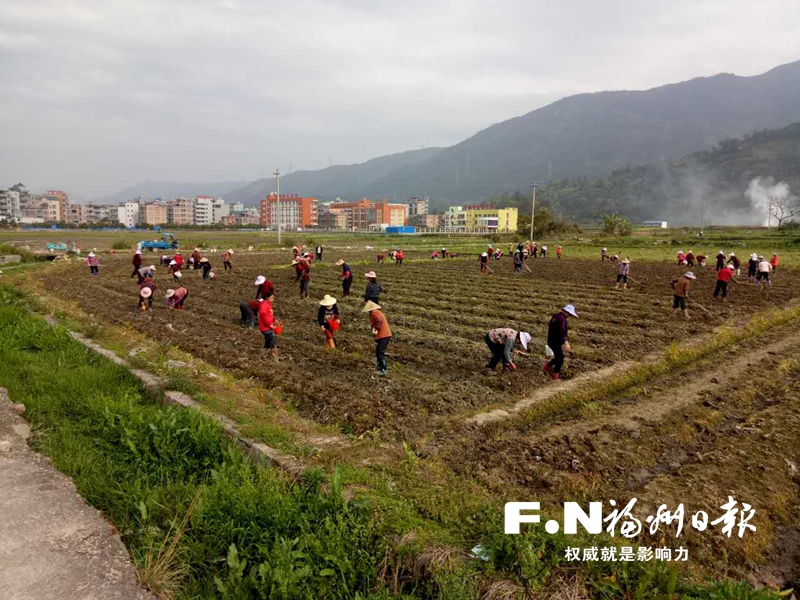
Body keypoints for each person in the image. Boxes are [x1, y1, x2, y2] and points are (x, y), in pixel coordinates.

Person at [544, 304, 579, 380]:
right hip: (555, 342)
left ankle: (546, 367)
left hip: (551, 340)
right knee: (560, 359)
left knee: (558, 357)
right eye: (570, 314)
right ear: (567, 312)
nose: (569, 316)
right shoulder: (562, 319)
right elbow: (562, 331)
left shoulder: (555, 316)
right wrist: (566, 342)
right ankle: (554, 375)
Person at [362, 301, 391, 376]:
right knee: (378, 351)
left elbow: (379, 320)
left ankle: (383, 369)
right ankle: (379, 366)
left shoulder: (374, 313)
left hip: (383, 335)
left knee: (380, 352)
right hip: (385, 335)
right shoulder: (377, 312)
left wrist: (376, 328)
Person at [258, 293, 279, 359]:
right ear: (267, 297)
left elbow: (269, 315)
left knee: (267, 343)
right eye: (271, 298)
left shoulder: (268, 305)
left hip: (268, 327)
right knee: (272, 343)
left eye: (273, 298)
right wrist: (270, 324)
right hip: (265, 328)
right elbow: (263, 315)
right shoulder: (264, 305)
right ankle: (275, 358)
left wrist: (274, 319)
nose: (273, 299)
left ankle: (262, 356)